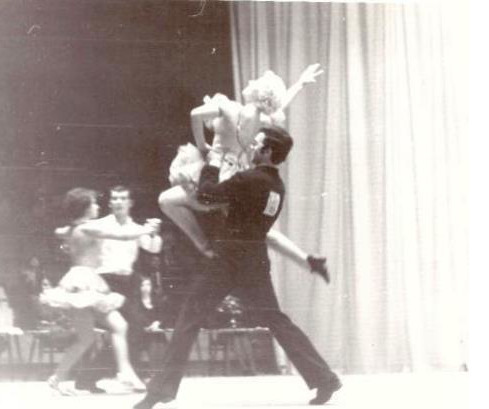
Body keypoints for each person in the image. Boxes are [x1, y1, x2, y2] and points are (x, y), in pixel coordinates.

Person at [134, 126, 341, 409]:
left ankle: (160, 391)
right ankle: (324, 378)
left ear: (268, 151)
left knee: (190, 317)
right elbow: (262, 229)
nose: (251, 146)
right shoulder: (276, 187)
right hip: (254, 259)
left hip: (228, 259)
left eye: (256, 143)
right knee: (276, 319)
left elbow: (207, 197)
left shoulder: (249, 179)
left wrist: (212, 163)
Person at [158, 64, 329, 281]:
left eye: (254, 84)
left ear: (258, 94)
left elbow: (195, 115)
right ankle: (307, 260)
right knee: (258, 231)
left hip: (216, 173)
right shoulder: (263, 119)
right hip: (236, 176)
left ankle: (205, 247)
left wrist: (202, 147)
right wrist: (299, 84)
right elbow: (280, 106)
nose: (250, 83)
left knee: (166, 201)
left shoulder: (229, 108)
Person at [41, 187, 160, 396]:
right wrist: (145, 230)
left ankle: (58, 378)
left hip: (79, 281)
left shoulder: (75, 228)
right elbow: (121, 235)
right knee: (118, 326)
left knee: (87, 337)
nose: (98, 206)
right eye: (94, 203)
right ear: (85, 208)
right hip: (85, 281)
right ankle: (124, 372)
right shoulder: (88, 228)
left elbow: (60, 232)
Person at [128, 275, 168, 378]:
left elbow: (163, 316)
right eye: (143, 285)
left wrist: (157, 323)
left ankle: (157, 373)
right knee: (151, 339)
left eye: (148, 284)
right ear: (138, 287)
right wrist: (146, 327)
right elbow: (135, 318)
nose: (146, 288)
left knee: (158, 339)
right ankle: (144, 373)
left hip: (154, 332)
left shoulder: (157, 300)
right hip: (139, 333)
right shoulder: (134, 301)